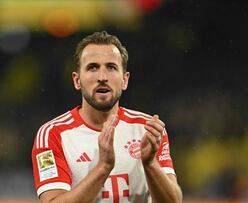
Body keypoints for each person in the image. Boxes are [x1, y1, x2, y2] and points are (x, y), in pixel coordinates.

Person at [31, 31, 183, 203]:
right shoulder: (52, 134)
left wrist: (150, 164)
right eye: (92, 67)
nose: (102, 77)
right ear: (77, 80)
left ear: (125, 80)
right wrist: (103, 168)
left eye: (111, 67)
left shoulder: (148, 129)